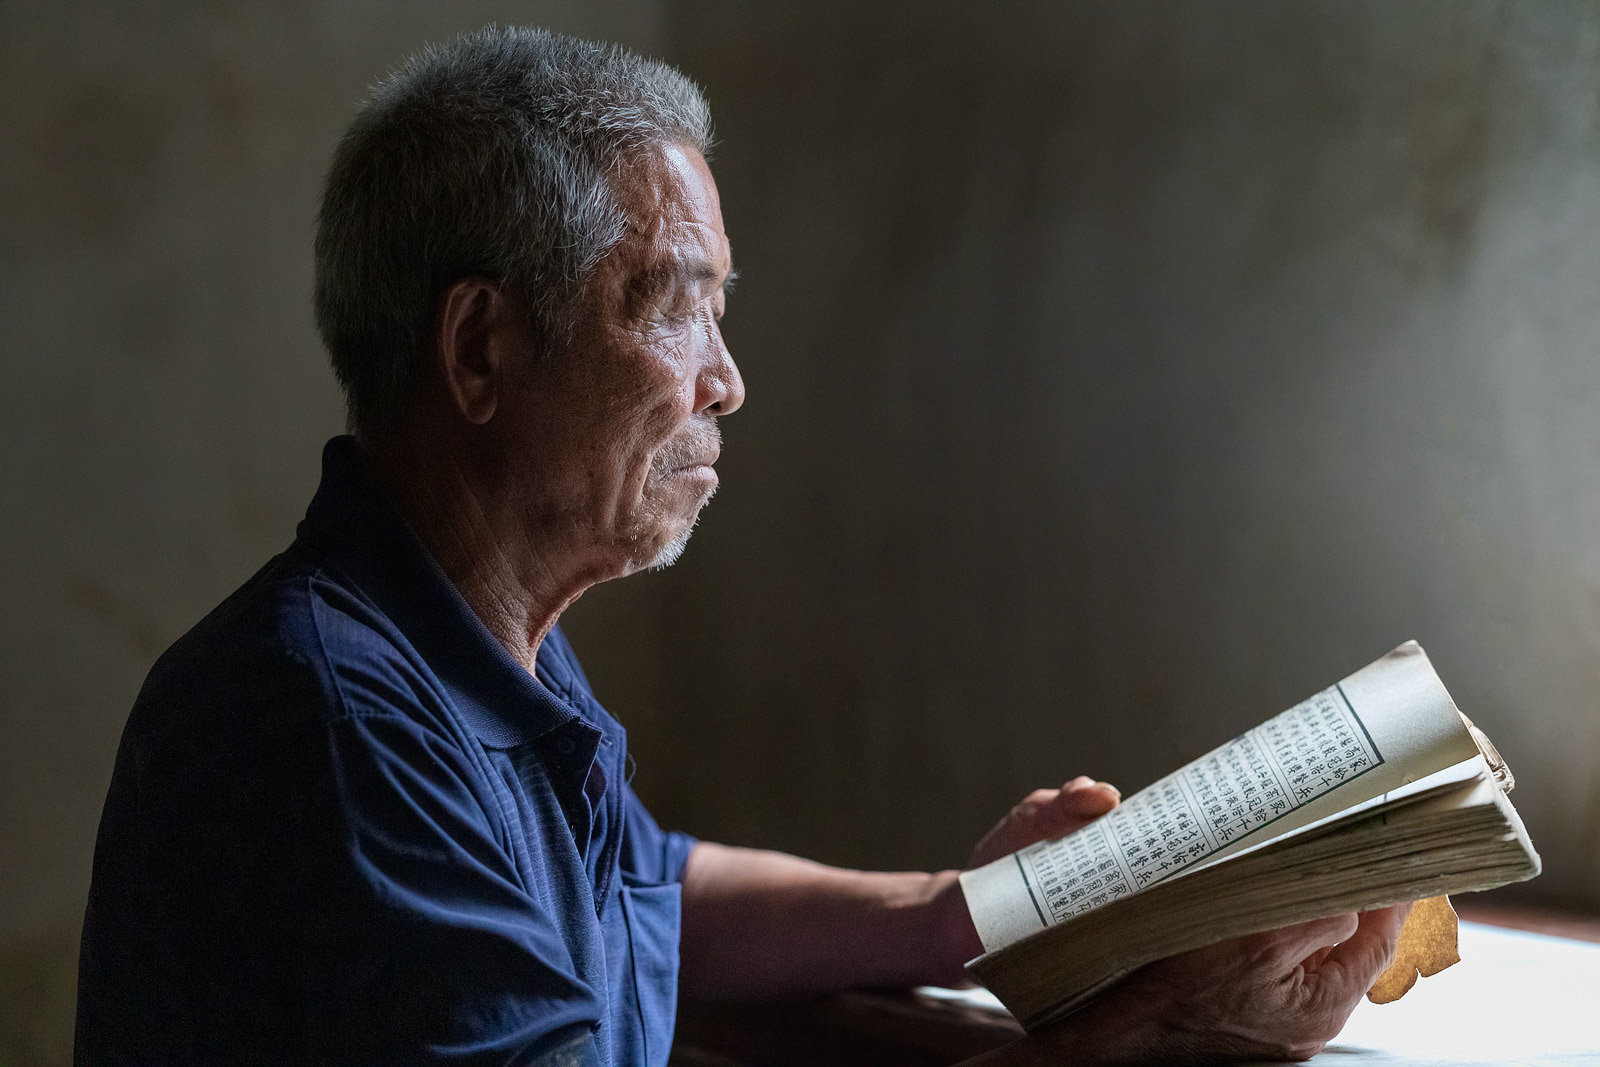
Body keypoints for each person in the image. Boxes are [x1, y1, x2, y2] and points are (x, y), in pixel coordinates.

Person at [74, 26, 1409, 1066]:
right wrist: (1136, 1040)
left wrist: (979, 908)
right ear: (481, 348)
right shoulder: (324, 716)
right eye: (678, 309)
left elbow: (656, 894)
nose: (727, 382)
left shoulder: (480, 659)